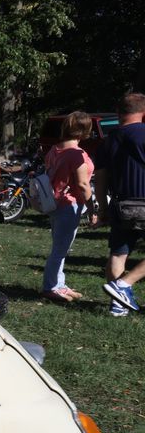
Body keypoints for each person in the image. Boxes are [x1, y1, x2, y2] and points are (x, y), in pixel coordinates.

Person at [94, 92, 145, 316]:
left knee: (117, 254)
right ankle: (124, 285)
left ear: (118, 112)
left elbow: (101, 178)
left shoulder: (108, 140)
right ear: (143, 112)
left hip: (120, 204)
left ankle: (118, 305)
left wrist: (102, 207)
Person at [40, 111, 95, 303]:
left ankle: (59, 285)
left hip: (54, 203)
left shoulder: (54, 150)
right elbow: (82, 184)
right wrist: (93, 208)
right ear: (84, 130)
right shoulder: (76, 154)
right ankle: (51, 287)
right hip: (69, 204)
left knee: (60, 246)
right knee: (60, 249)